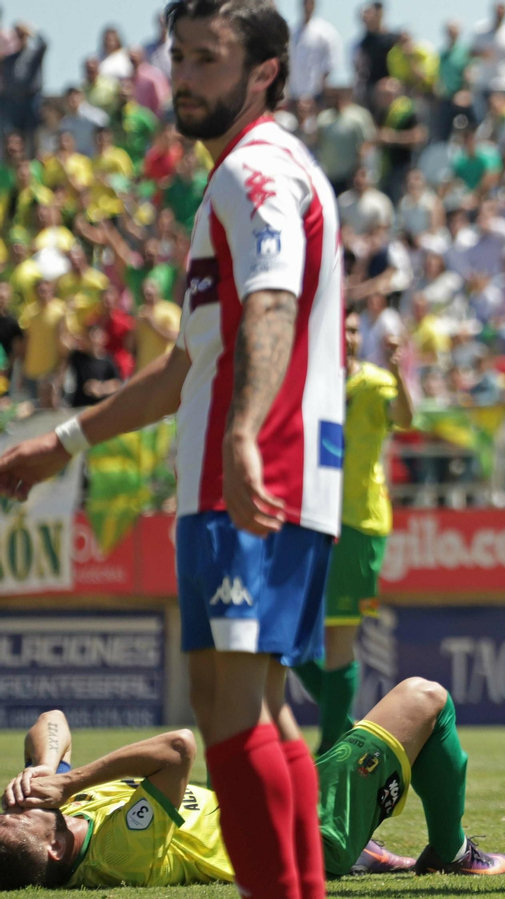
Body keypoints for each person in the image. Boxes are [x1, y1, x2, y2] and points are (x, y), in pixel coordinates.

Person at [0, 3, 343, 897]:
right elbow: (184, 364)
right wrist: (63, 440)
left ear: (265, 70)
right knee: (258, 710)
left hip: (250, 469)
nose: (185, 77)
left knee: (230, 717)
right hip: (263, 465)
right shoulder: (239, 178)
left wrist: (240, 429)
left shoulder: (255, 172)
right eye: (178, 57)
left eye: (208, 59)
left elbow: (270, 305)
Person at [0, 678, 505, 890]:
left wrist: (46, 768)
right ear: (55, 849)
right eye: (18, 820)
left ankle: (370, 842)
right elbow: (177, 748)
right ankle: (451, 851)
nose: (12, 808)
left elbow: (53, 718)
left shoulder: (64, 815)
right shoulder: (116, 853)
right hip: (301, 836)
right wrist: (71, 783)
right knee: (425, 698)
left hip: (276, 802)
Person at [293, 313, 413, 758]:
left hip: (358, 523)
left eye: (353, 330)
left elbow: (404, 417)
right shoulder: (307, 384)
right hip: (307, 520)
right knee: (282, 635)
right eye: (338, 327)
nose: (347, 336)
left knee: (340, 636)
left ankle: (329, 749)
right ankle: (344, 730)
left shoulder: (377, 383)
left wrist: (400, 373)